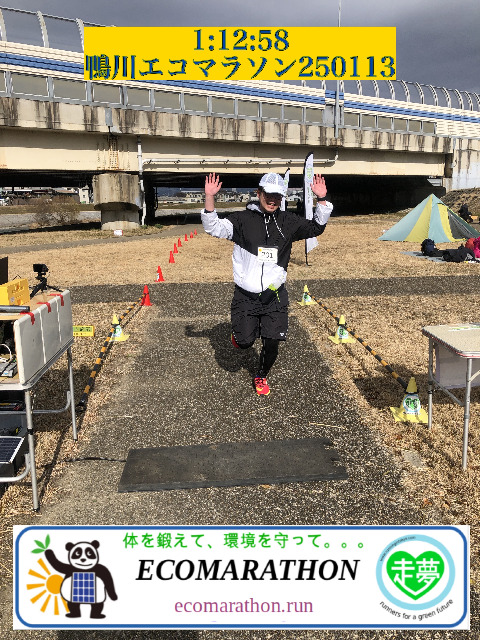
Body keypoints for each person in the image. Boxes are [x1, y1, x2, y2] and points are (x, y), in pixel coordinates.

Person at [202, 171, 333, 396]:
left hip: (275, 294)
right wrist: (210, 197)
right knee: (245, 342)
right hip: (246, 295)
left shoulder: (288, 222)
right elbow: (213, 227)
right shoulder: (241, 220)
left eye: (278, 196)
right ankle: (239, 337)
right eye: (268, 195)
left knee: (272, 341)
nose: (273, 200)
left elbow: (316, 227)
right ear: (259, 193)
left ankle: (261, 374)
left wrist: (321, 199)